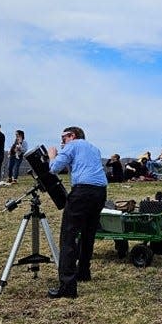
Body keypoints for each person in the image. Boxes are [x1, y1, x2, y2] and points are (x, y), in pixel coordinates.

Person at [46, 126, 107, 299]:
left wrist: (52, 155)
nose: (62, 142)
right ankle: (84, 272)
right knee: (88, 233)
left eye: (63, 138)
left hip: (82, 192)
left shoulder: (72, 145)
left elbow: (55, 168)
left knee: (68, 236)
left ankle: (67, 286)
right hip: (100, 192)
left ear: (72, 136)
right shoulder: (94, 148)